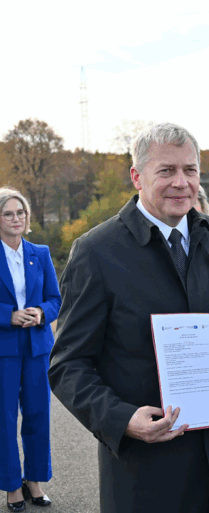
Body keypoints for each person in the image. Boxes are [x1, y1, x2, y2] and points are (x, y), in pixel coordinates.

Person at [48, 123, 209, 513]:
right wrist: (122, 419)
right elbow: (67, 366)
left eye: (190, 170)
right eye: (167, 171)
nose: (181, 182)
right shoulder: (96, 252)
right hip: (149, 473)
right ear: (137, 177)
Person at [0, 188, 60, 512]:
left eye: (20, 213)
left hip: (37, 347)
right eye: (8, 213)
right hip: (4, 348)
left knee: (38, 415)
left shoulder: (41, 252)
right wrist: (7, 315)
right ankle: (12, 486)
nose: (16, 219)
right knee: (5, 419)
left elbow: (55, 299)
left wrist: (40, 313)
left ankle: (34, 481)